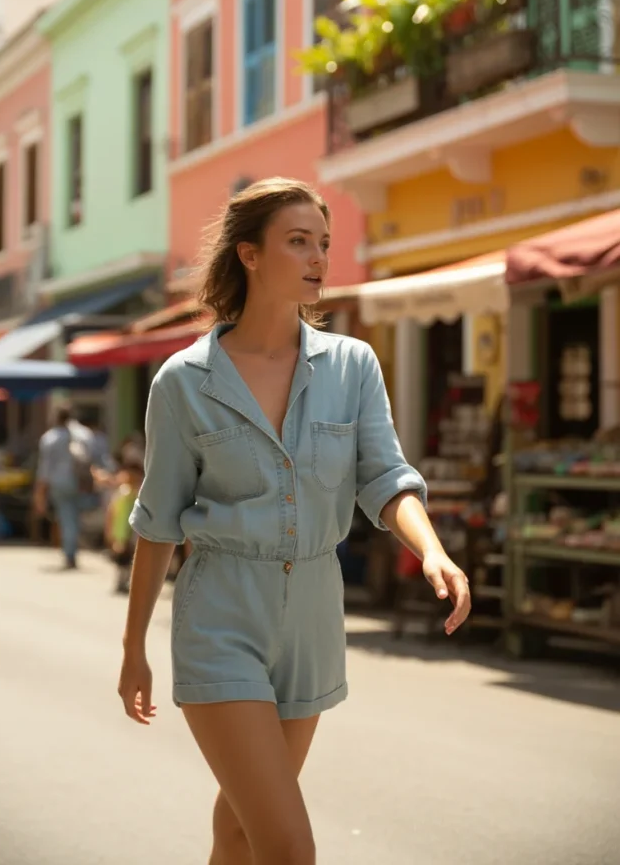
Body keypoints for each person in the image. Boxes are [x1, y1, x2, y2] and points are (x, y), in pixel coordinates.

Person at [117, 179, 471, 865]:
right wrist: (133, 646)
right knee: (287, 846)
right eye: (298, 242)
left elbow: (384, 476)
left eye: (324, 244)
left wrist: (430, 549)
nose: (318, 258)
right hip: (221, 613)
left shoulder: (352, 364)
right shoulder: (184, 382)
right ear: (249, 255)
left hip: (313, 612)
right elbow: (157, 521)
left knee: (241, 831)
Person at [34, 405, 92, 570]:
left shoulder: (50, 438)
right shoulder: (83, 434)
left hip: (59, 482)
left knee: (67, 517)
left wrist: (40, 492)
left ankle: (70, 553)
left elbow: (44, 468)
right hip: (80, 481)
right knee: (75, 516)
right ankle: (73, 547)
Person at [105, 453, 144, 594]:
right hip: (120, 531)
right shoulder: (122, 493)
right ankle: (121, 581)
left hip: (132, 532)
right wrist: (109, 531)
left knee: (129, 558)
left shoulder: (138, 494)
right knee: (121, 559)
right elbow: (112, 512)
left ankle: (126, 581)